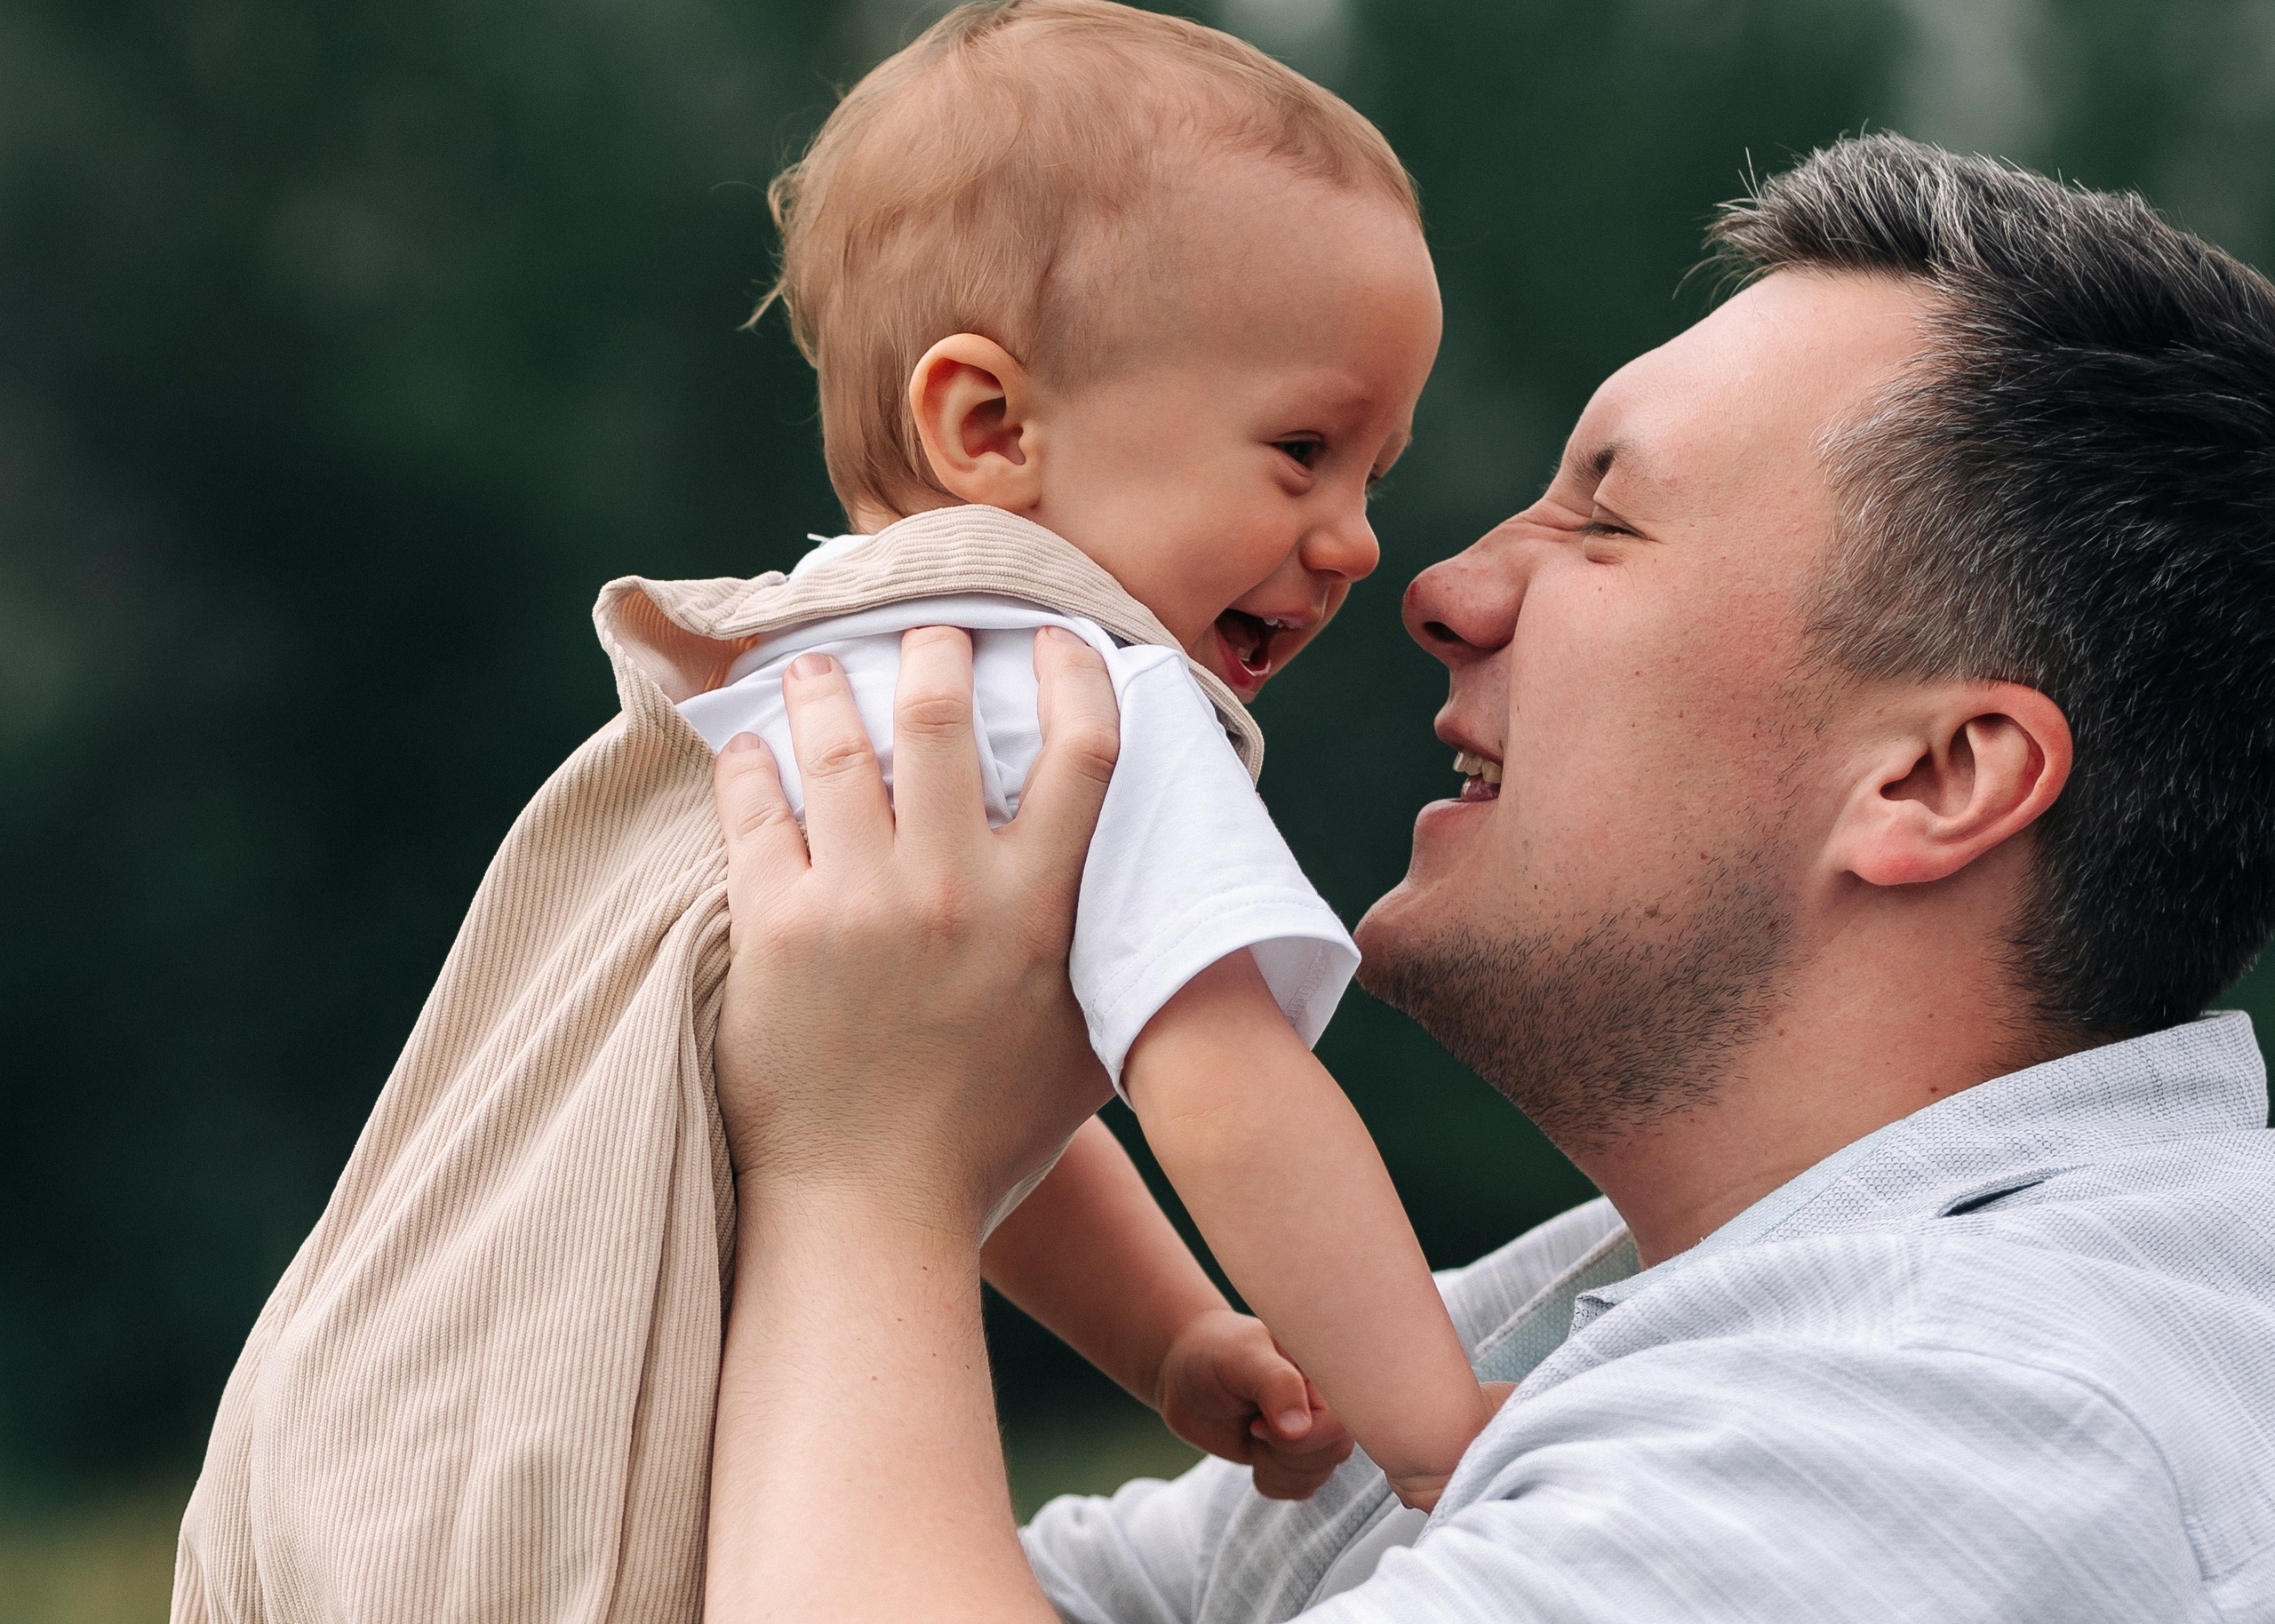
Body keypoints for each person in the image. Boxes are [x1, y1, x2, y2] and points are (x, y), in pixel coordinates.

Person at [698, 134, 2275, 1621]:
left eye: (1603, 519)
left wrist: (858, 1168)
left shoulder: (1952, 1414)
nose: (1434, 585)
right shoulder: (1594, 1318)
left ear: (1936, 780)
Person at [683, 0, 1508, 1509]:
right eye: (1303, 452)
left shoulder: (797, 682)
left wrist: (1175, 1337)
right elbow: (1221, 1080)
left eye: (1374, 474)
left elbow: (962, 1110)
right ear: (990, 426)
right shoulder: (1088, 698)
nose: (1359, 541)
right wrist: (1442, 1426)